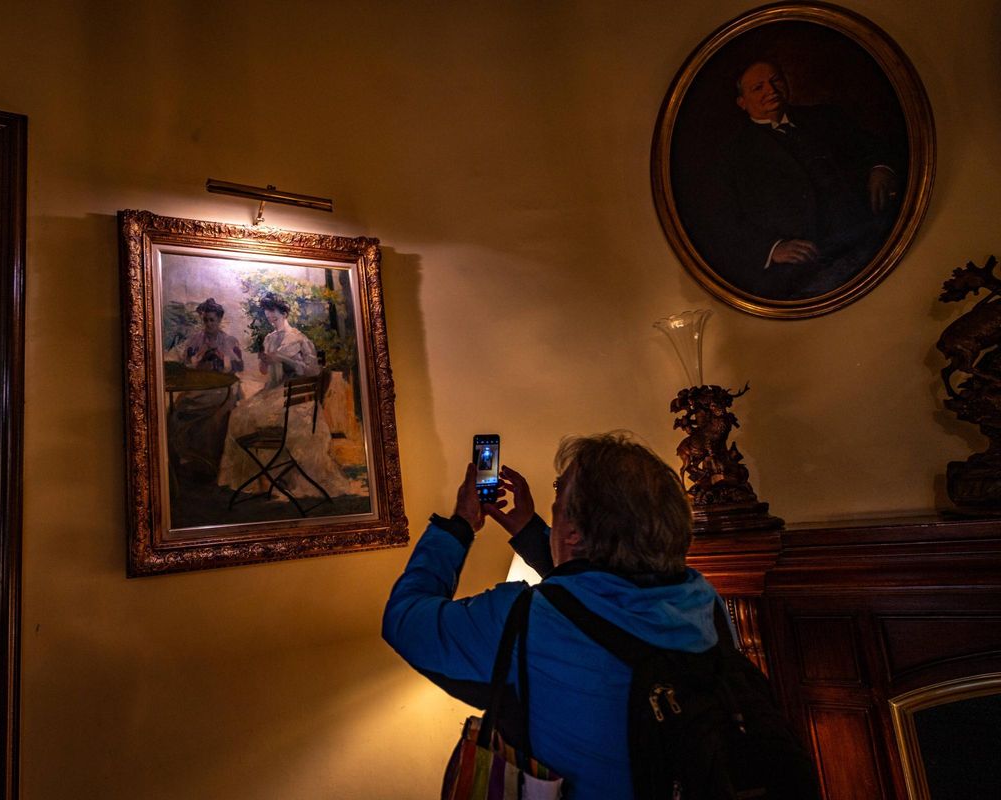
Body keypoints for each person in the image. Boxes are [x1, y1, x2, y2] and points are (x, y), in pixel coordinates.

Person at [382, 432, 726, 799]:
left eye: (559, 493)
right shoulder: (705, 601)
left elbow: (404, 617)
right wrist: (533, 534)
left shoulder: (522, 619)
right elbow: (594, 594)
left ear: (575, 531)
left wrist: (461, 524)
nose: (554, 504)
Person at [697, 60, 902, 300]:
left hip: (868, 236)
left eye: (775, 81)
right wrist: (772, 249)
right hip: (808, 265)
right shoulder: (733, 154)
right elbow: (722, 221)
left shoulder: (825, 117)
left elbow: (874, 144)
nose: (771, 91)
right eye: (758, 88)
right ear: (742, 103)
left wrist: (881, 167)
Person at [217, 293, 352, 499]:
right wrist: (265, 361)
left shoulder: (298, 338)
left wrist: (283, 359)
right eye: (267, 312)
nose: (269, 316)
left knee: (258, 415)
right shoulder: (269, 339)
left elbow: (312, 371)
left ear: (284, 313)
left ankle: (281, 474)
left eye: (273, 311)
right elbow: (265, 372)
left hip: (296, 396)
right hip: (275, 392)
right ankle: (263, 478)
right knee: (239, 415)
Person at [168, 298, 244, 482]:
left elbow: (238, 367)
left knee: (214, 419)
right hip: (200, 386)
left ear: (219, 320)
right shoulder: (196, 340)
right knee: (178, 410)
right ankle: (185, 460)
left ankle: (209, 465)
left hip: (223, 387)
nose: (209, 324)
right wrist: (198, 359)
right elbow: (187, 364)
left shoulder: (229, 341)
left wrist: (223, 359)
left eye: (212, 320)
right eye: (206, 320)